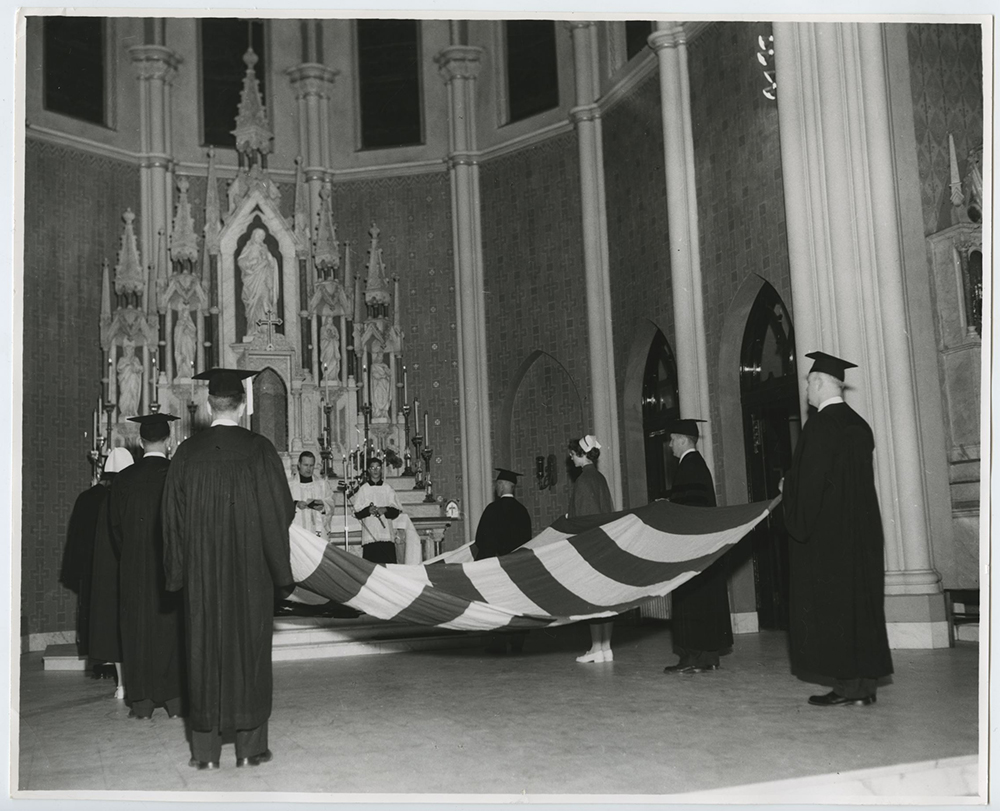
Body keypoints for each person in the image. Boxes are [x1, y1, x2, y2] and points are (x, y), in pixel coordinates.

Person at [162, 368, 295, 769]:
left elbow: (172, 520)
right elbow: (280, 512)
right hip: (250, 574)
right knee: (250, 652)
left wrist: (177, 573)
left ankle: (204, 754)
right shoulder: (260, 449)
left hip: (202, 576)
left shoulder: (186, 453)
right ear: (243, 405)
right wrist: (280, 573)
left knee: (202, 651)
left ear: (207, 405)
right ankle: (251, 750)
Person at [781, 351, 893, 707]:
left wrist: (789, 494)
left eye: (809, 386)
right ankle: (864, 687)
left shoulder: (820, 426)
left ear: (818, 383)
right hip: (863, 533)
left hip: (830, 537)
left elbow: (812, 485)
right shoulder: (859, 424)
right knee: (861, 606)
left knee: (836, 609)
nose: (808, 395)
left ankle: (847, 687)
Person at [110, 413, 184, 720]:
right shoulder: (178, 474)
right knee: (173, 630)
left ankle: (140, 702)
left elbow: (115, 529)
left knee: (137, 630)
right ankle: (176, 701)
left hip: (134, 567)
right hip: (172, 567)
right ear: (169, 441)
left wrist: (130, 557)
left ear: (140, 443)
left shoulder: (124, 478)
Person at [662, 418, 733, 675]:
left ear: (682, 440)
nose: (670, 445)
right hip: (701, 547)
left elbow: (688, 509)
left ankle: (691, 657)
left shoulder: (689, 467)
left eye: (672, 440)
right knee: (704, 601)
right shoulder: (697, 465)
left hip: (690, 548)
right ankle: (707, 657)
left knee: (691, 601)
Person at [88, 446, 134, 698]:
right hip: (129, 572)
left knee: (115, 629)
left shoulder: (102, 499)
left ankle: (121, 685)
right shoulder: (130, 496)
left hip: (109, 577)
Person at [473, 469, 534, 655]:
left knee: (496, 604)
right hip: (517, 566)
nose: (496, 487)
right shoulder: (523, 511)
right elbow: (528, 540)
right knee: (516, 603)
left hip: (495, 567)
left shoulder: (492, 510)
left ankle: (497, 643)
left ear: (501, 485)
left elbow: (480, 540)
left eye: (497, 484)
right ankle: (517, 643)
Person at [568, 435, 616, 664]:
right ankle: (606, 647)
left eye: (572, 454)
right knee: (606, 599)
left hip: (591, 547)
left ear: (581, 454)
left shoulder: (584, 481)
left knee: (594, 599)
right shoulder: (600, 478)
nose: (570, 458)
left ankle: (596, 647)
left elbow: (585, 520)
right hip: (607, 544)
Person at [61, 467, 116, 658]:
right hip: (110, 566)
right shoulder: (114, 498)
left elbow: (75, 535)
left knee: (88, 609)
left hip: (87, 565)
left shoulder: (85, 498)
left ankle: (93, 658)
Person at [353, 457, 404, 564]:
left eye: (378, 467)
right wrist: (368, 510)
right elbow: (357, 513)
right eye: (372, 467)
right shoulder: (363, 489)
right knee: (371, 567)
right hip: (370, 534)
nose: (375, 470)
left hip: (386, 535)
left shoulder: (387, 488)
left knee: (389, 566)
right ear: (368, 470)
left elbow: (396, 510)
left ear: (381, 469)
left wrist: (385, 509)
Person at [238, 228, 279, 334]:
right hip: (252, 280)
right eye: (258, 235)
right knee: (254, 304)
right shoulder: (249, 247)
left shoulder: (265, 248)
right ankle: (253, 328)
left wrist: (268, 258)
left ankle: (266, 329)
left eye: (262, 236)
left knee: (264, 300)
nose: (260, 238)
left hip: (264, 279)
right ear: (253, 236)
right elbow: (241, 261)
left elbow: (271, 263)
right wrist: (251, 264)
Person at [289, 451, 333, 538]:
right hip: (297, 532)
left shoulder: (322, 484)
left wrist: (323, 507)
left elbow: (330, 504)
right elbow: (280, 505)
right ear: (299, 464)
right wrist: (295, 504)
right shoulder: (289, 485)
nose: (308, 469)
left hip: (317, 532)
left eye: (311, 465)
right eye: (305, 465)